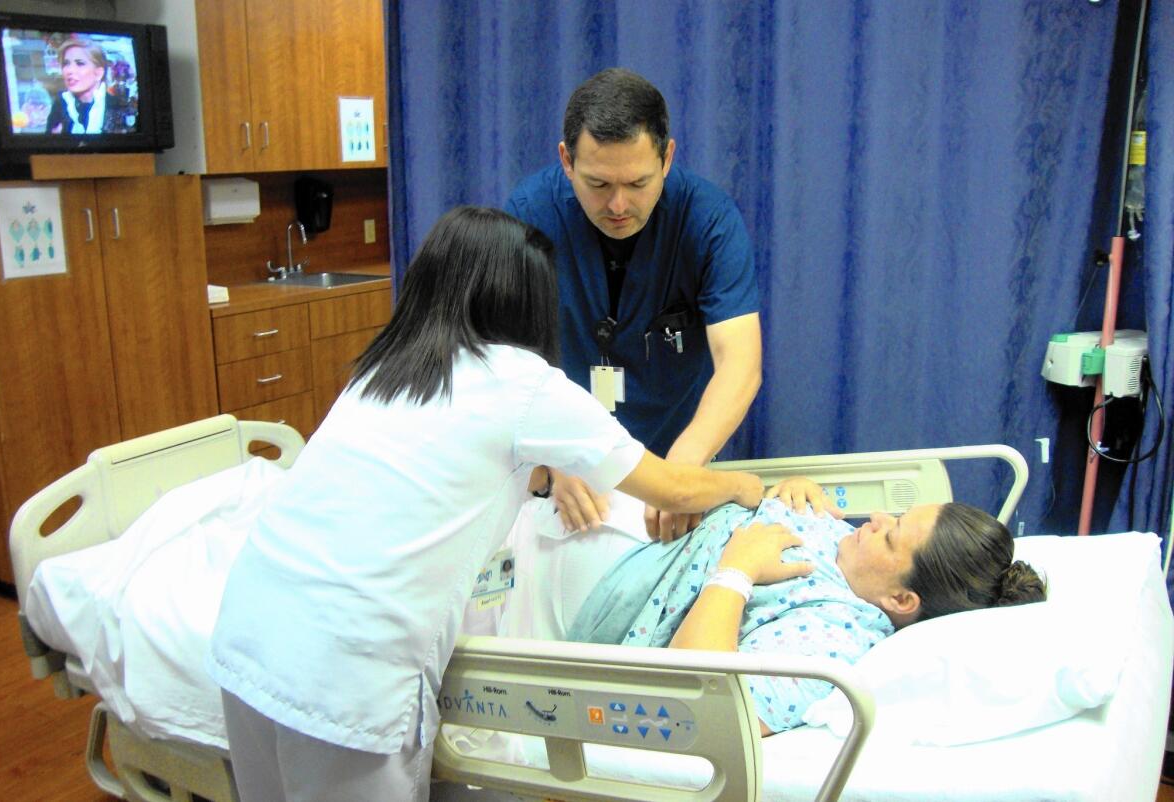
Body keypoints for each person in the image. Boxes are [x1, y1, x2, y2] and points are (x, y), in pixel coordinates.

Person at [205, 206, 766, 802]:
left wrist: (551, 475)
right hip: (346, 671)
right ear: (527, 302)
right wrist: (738, 486)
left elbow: (445, 473)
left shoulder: (383, 369)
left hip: (247, 636)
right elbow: (672, 487)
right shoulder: (523, 380)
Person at [568, 477, 1047, 735]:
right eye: (895, 515)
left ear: (901, 599)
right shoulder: (850, 549)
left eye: (892, 532)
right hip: (644, 530)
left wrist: (737, 570)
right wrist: (791, 488)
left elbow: (708, 714)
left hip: (603, 595)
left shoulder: (834, 638)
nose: (878, 518)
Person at [506, 68, 762, 542]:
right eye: (599, 184)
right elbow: (503, 362)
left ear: (667, 158)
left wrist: (679, 475)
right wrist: (554, 454)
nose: (619, 205)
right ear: (566, 160)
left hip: (670, 455)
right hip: (566, 471)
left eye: (638, 183)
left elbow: (740, 363)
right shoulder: (528, 215)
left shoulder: (707, 220)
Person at [46, 39, 130, 135]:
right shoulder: (60, 104)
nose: (69, 70)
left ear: (98, 73)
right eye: (66, 64)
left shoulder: (117, 106)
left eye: (80, 63)